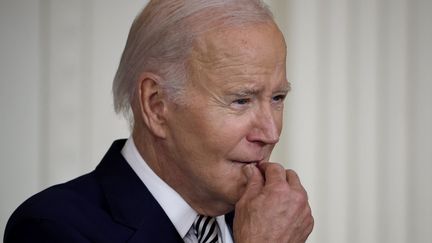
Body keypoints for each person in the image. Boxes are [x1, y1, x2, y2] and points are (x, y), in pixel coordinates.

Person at [4, 0, 314, 242]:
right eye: (241, 100)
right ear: (156, 105)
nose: (271, 132)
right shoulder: (51, 228)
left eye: (277, 99)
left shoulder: (269, 221)